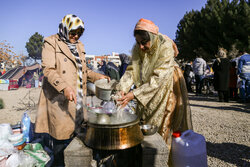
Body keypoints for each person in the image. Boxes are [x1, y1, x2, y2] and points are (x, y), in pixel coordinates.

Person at [35, 14, 109, 166]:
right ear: (65, 28)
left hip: (79, 98)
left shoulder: (79, 46)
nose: (76, 36)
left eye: (79, 33)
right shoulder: (51, 42)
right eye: (73, 32)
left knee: (79, 137)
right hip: (60, 99)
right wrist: (64, 87)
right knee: (61, 141)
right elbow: (48, 70)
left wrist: (98, 77)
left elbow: (84, 71)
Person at [116, 18, 193, 164]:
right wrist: (122, 89)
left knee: (164, 123)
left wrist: (134, 94)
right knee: (146, 118)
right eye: (138, 43)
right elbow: (132, 70)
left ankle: (164, 160)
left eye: (144, 43)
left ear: (151, 38)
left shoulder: (165, 46)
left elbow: (158, 78)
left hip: (168, 84)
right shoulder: (138, 48)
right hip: (149, 85)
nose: (141, 47)